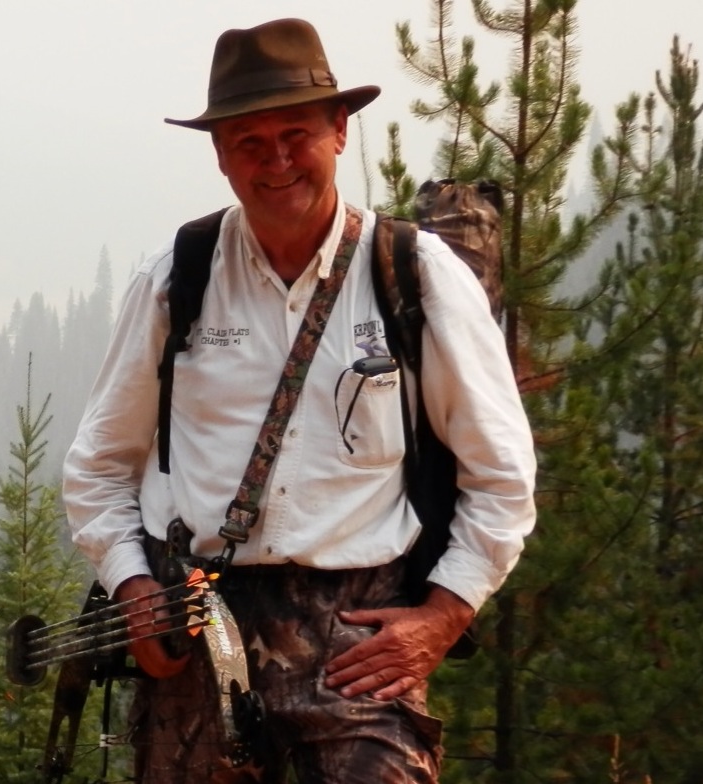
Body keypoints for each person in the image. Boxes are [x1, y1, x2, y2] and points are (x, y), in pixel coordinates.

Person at [62, 17, 536, 784]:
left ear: (339, 131)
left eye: (296, 134)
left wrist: (445, 615)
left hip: (357, 649)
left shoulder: (415, 275)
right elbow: (98, 467)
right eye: (249, 141)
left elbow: (503, 475)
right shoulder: (176, 277)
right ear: (220, 155)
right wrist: (135, 585)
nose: (276, 161)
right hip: (193, 637)